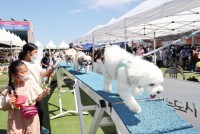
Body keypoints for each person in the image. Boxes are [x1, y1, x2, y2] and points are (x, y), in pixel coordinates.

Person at [0, 60, 50, 134]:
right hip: (16, 120)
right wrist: (9, 102)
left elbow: (38, 99)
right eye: (22, 72)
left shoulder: (31, 83)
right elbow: (3, 108)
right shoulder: (9, 89)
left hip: (32, 118)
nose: (26, 74)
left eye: (26, 71)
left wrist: (44, 93)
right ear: (13, 75)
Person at [18, 43, 54, 134]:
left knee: (40, 111)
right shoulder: (20, 63)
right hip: (26, 92)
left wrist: (50, 70)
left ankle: (39, 126)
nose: (37, 54)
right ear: (28, 52)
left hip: (37, 90)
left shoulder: (35, 62)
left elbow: (42, 74)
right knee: (27, 112)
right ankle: (25, 129)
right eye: (35, 52)